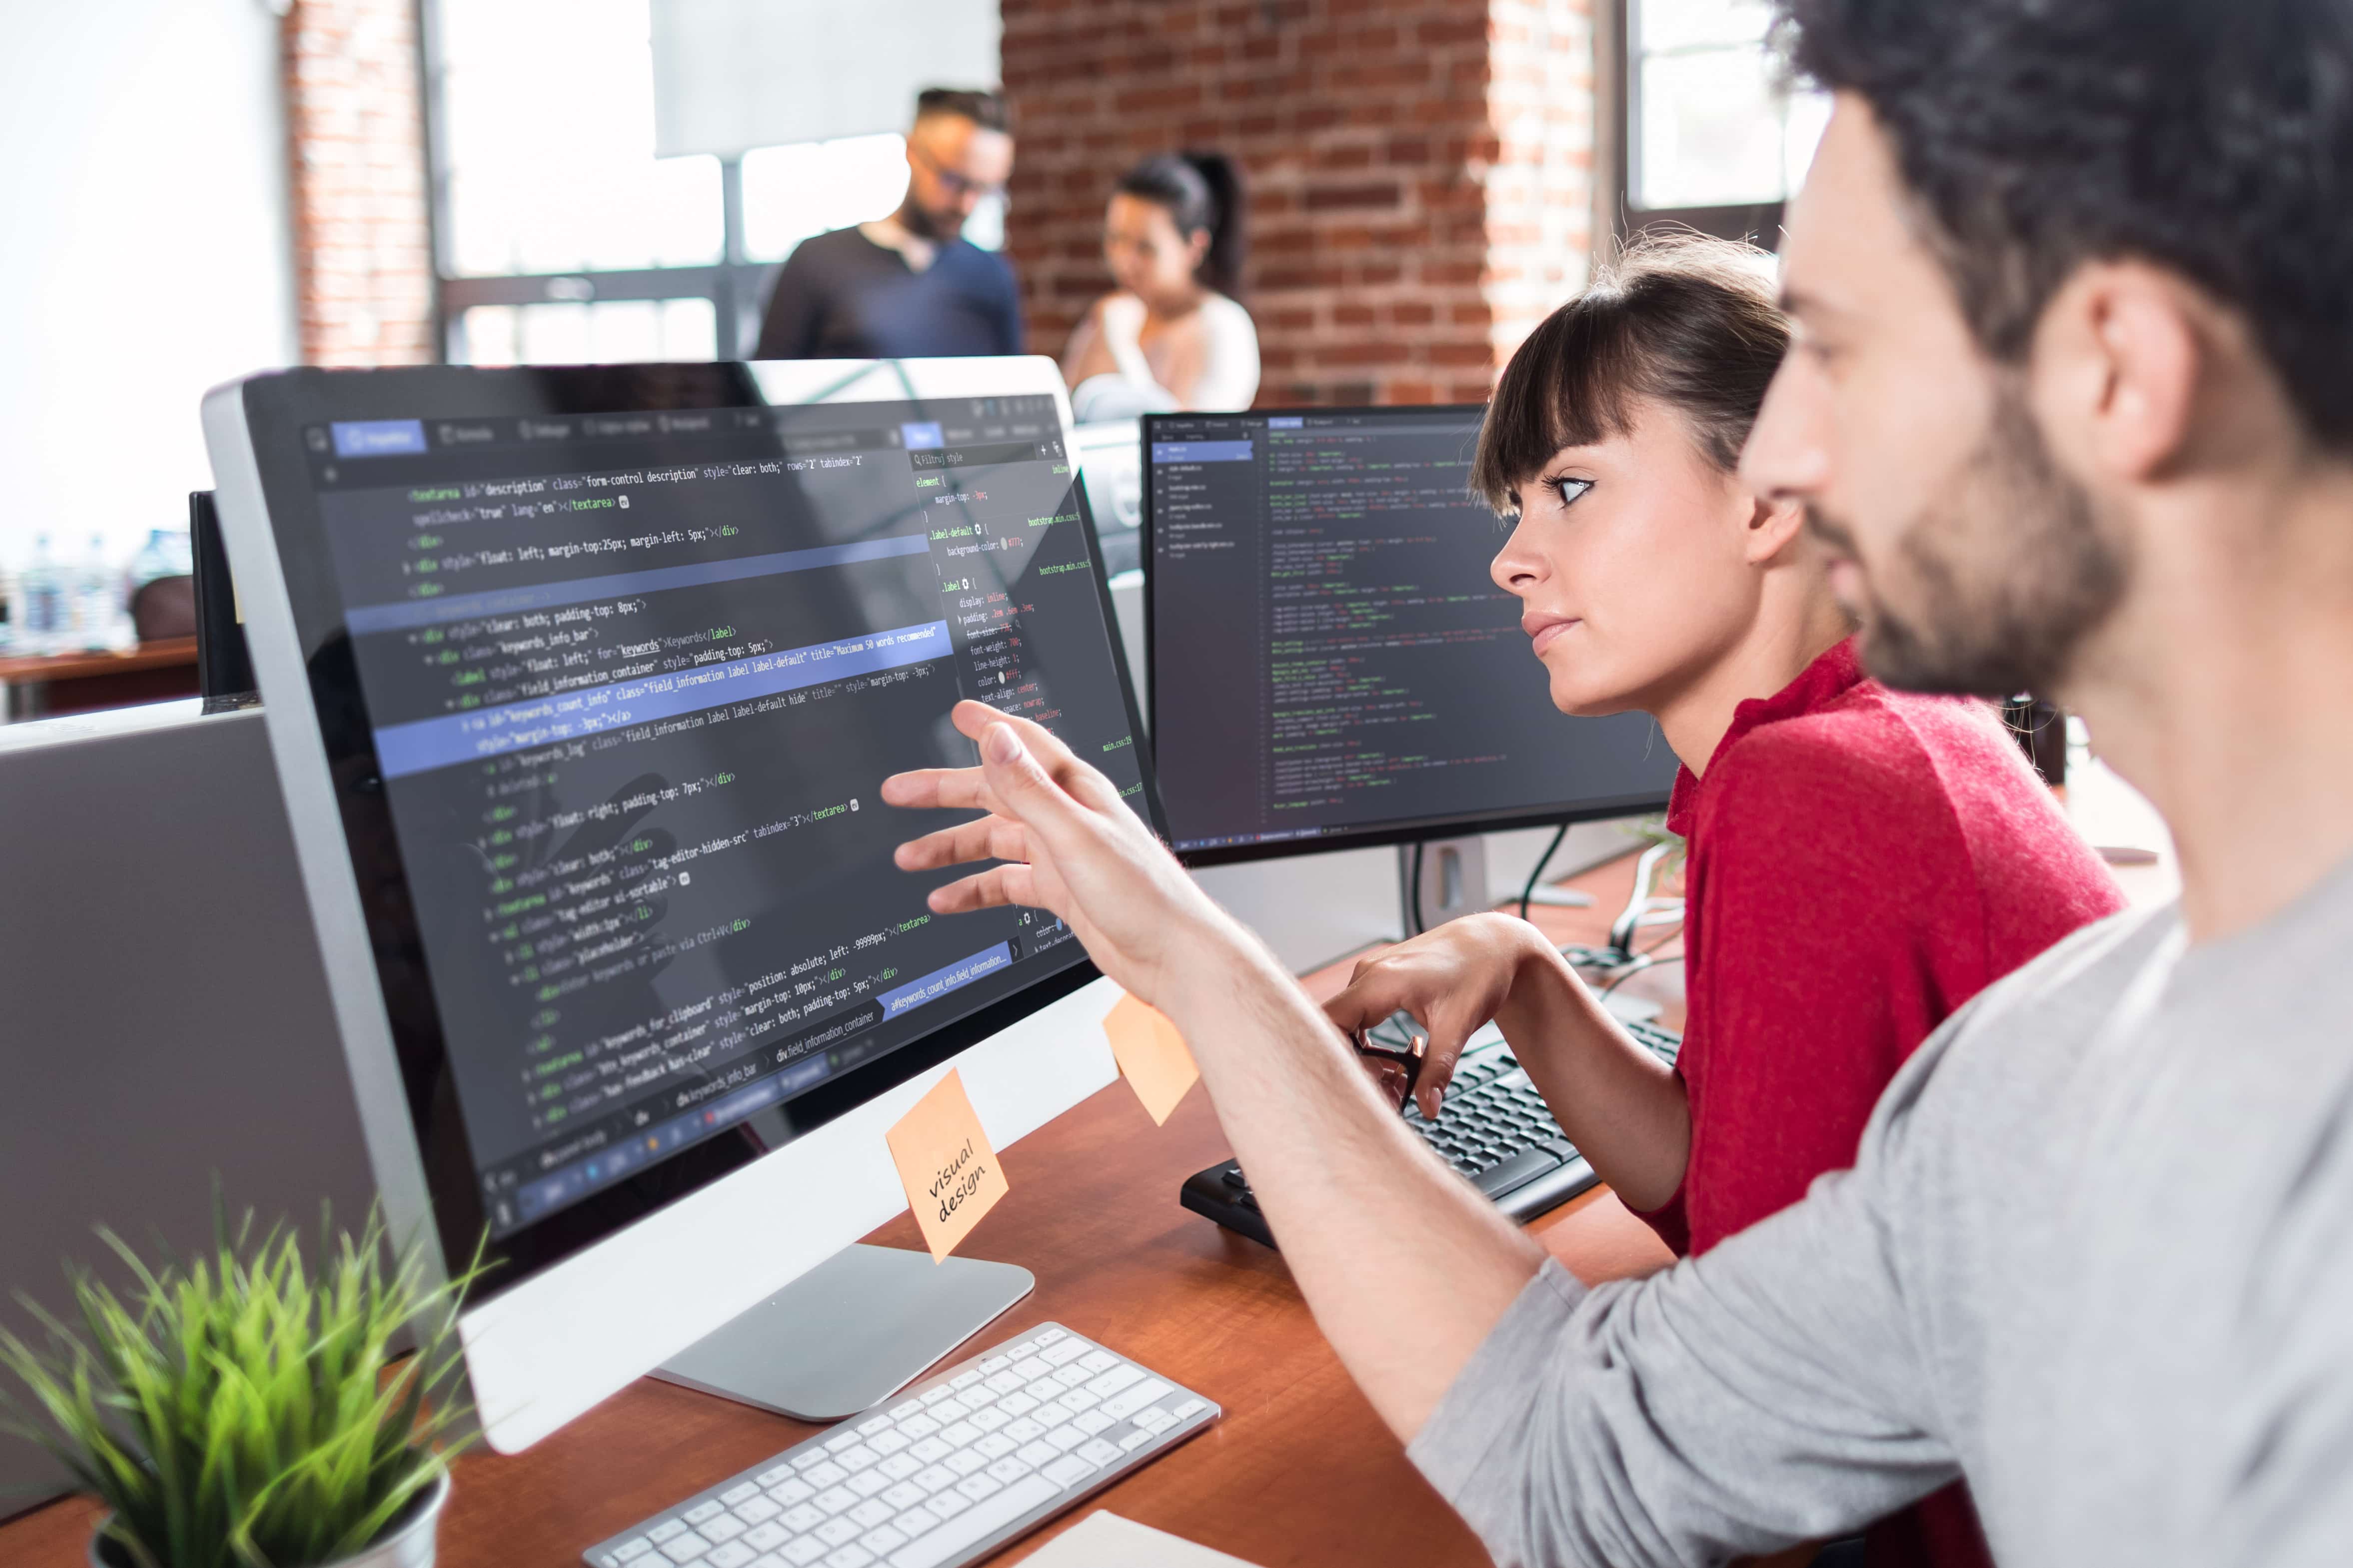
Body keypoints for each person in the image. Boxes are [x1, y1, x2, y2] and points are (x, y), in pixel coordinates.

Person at [882, 0, 2353, 1559]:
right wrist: (1494, 968)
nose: (1784, 455)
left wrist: (1199, 959)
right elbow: (1596, 1441)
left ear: (2120, 367)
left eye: (1843, 349)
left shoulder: (1894, 847)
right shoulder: (2065, 1051)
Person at [1320, 231, 2123, 1566]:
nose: (1510, 559)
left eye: (1570, 487)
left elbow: (1712, 1406)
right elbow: (1726, 1211)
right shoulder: (1852, 732)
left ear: (1770, 497)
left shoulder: (1817, 787)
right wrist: (1525, 967)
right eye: (1517, 504)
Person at [751, 88, 1021, 361]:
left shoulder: (992, 275)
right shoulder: (816, 262)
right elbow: (764, 380)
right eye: (952, 180)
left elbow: (1011, 381)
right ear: (912, 151)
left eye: (984, 188)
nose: (966, 205)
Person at [1061, 152, 1259, 416]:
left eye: (1145, 248)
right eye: (1115, 239)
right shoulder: (1112, 314)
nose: (1123, 262)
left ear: (1194, 248)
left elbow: (1189, 437)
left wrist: (1119, 342)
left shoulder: (1223, 326)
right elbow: (1065, 417)